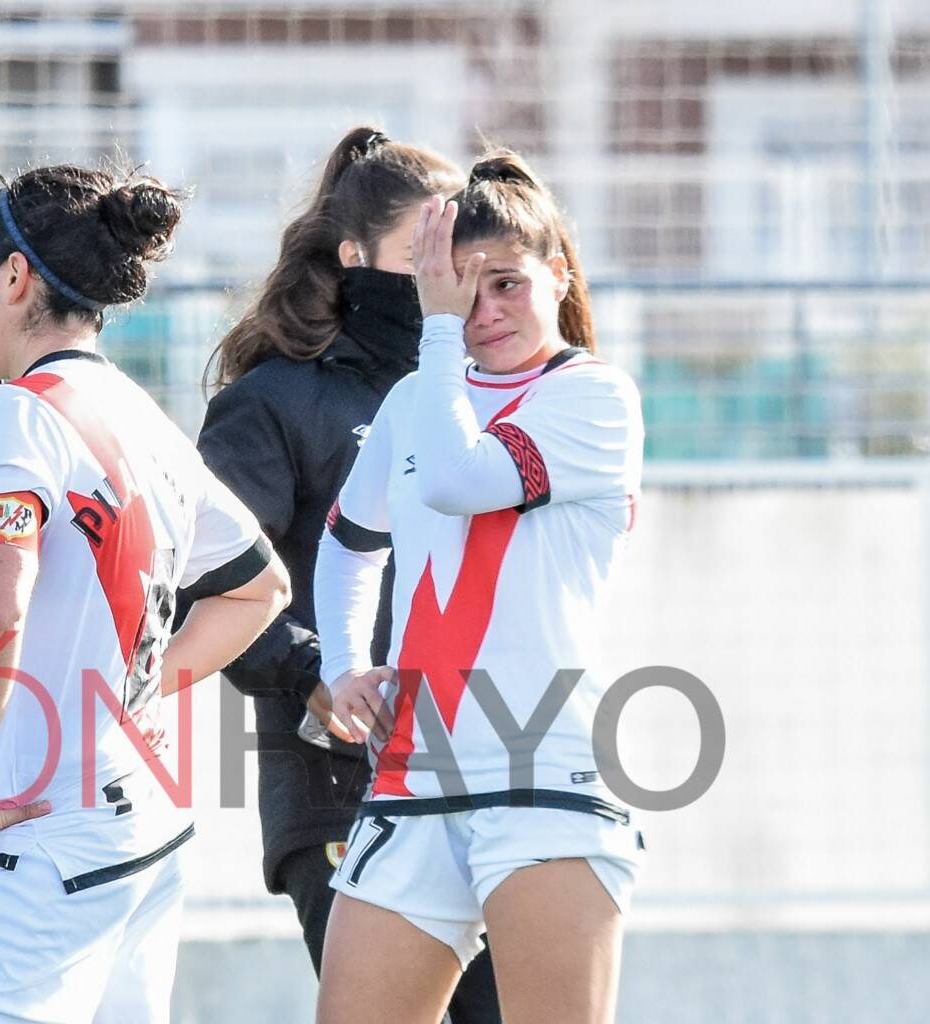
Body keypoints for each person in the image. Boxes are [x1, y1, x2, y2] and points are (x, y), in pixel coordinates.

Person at [0, 163, 291, 1024]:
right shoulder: (141, 414)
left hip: (37, 846)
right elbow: (261, 589)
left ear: (13, 278)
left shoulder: (10, 413)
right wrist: (129, 690)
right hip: (146, 836)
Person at [313, 152, 646, 1024]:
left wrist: (433, 331)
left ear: (559, 274)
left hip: (545, 777)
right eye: (460, 289)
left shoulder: (595, 396)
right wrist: (347, 663)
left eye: (504, 283)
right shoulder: (416, 400)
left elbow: (459, 478)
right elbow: (348, 543)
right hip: (414, 779)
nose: (481, 311)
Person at [195, 125, 501, 1019]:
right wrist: (313, 675)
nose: (451, 279)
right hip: (335, 790)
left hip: (485, 774)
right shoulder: (271, 401)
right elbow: (204, 578)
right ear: (355, 256)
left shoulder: (484, 395)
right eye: (426, 254)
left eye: (466, 255)